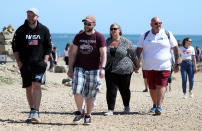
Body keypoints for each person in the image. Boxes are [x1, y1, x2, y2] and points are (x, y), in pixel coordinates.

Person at [12, 8, 51, 123]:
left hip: (39, 64)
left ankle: (36, 112)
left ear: (37, 17)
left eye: (32, 15)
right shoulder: (20, 30)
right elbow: (15, 47)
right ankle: (32, 110)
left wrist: (45, 61)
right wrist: (19, 62)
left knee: (36, 85)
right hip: (25, 64)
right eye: (28, 15)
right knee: (28, 88)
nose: (30, 17)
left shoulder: (44, 30)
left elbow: (48, 47)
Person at [67, 15, 107, 125]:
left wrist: (102, 68)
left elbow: (103, 54)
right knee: (76, 90)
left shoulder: (99, 37)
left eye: (89, 24)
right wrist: (70, 68)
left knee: (91, 94)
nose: (86, 25)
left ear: (94, 24)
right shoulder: (79, 36)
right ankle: (80, 111)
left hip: (94, 69)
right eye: (85, 23)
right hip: (80, 68)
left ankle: (88, 115)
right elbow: (73, 53)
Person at [136, 17, 180, 115]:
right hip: (148, 66)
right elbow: (138, 50)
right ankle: (155, 104)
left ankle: (159, 106)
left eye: (160, 23)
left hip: (164, 66)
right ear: (151, 24)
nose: (158, 25)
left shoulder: (168, 34)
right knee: (151, 87)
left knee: (162, 84)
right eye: (156, 23)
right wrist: (136, 63)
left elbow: (175, 48)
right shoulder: (144, 35)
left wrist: (177, 62)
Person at [104, 23, 139, 116]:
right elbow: (102, 54)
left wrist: (137, 66)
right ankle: (110, 109)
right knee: (111, 89)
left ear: (119, 30)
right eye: (111, 29)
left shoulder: (126, 41)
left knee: (124, 89)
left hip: (125, 69)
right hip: (110, 68)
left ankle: (126, 106)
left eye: (115, 28)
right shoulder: (106, 41)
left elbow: (134, 55)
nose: (113, 30)